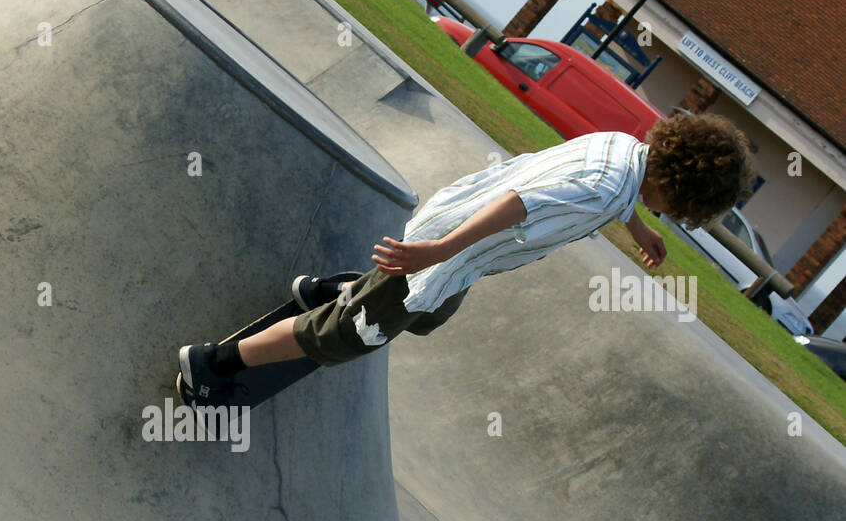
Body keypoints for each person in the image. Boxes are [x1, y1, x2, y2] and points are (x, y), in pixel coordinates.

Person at [178, 113, 757, 401]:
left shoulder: (623, 153)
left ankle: (330, 291)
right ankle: (213, 365)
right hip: (452, 245)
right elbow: (522, 201)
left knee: (431, 316)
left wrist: (636, 228)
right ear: (688, 196)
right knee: (346, 340)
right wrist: (438, 253)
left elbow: (596, 191)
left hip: (458, 232)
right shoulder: (608, 190)